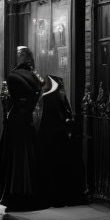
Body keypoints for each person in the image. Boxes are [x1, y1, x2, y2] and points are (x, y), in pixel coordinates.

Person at [0, 46, 44, 211]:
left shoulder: (13, 75)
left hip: (16, 118)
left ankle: (16, 193)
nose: (17, 57)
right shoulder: (35, 75)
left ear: (24, 56)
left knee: (15, 155)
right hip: (27, 118)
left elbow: (9, 99)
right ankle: (29, 193)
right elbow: (38, 93)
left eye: (19, 54)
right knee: (27, 153)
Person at [37, 75, 84, 207]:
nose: (63, 92)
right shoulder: (51, 99)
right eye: (61, 89)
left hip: (54, 141)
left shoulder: (51, 99)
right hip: (55, 141)